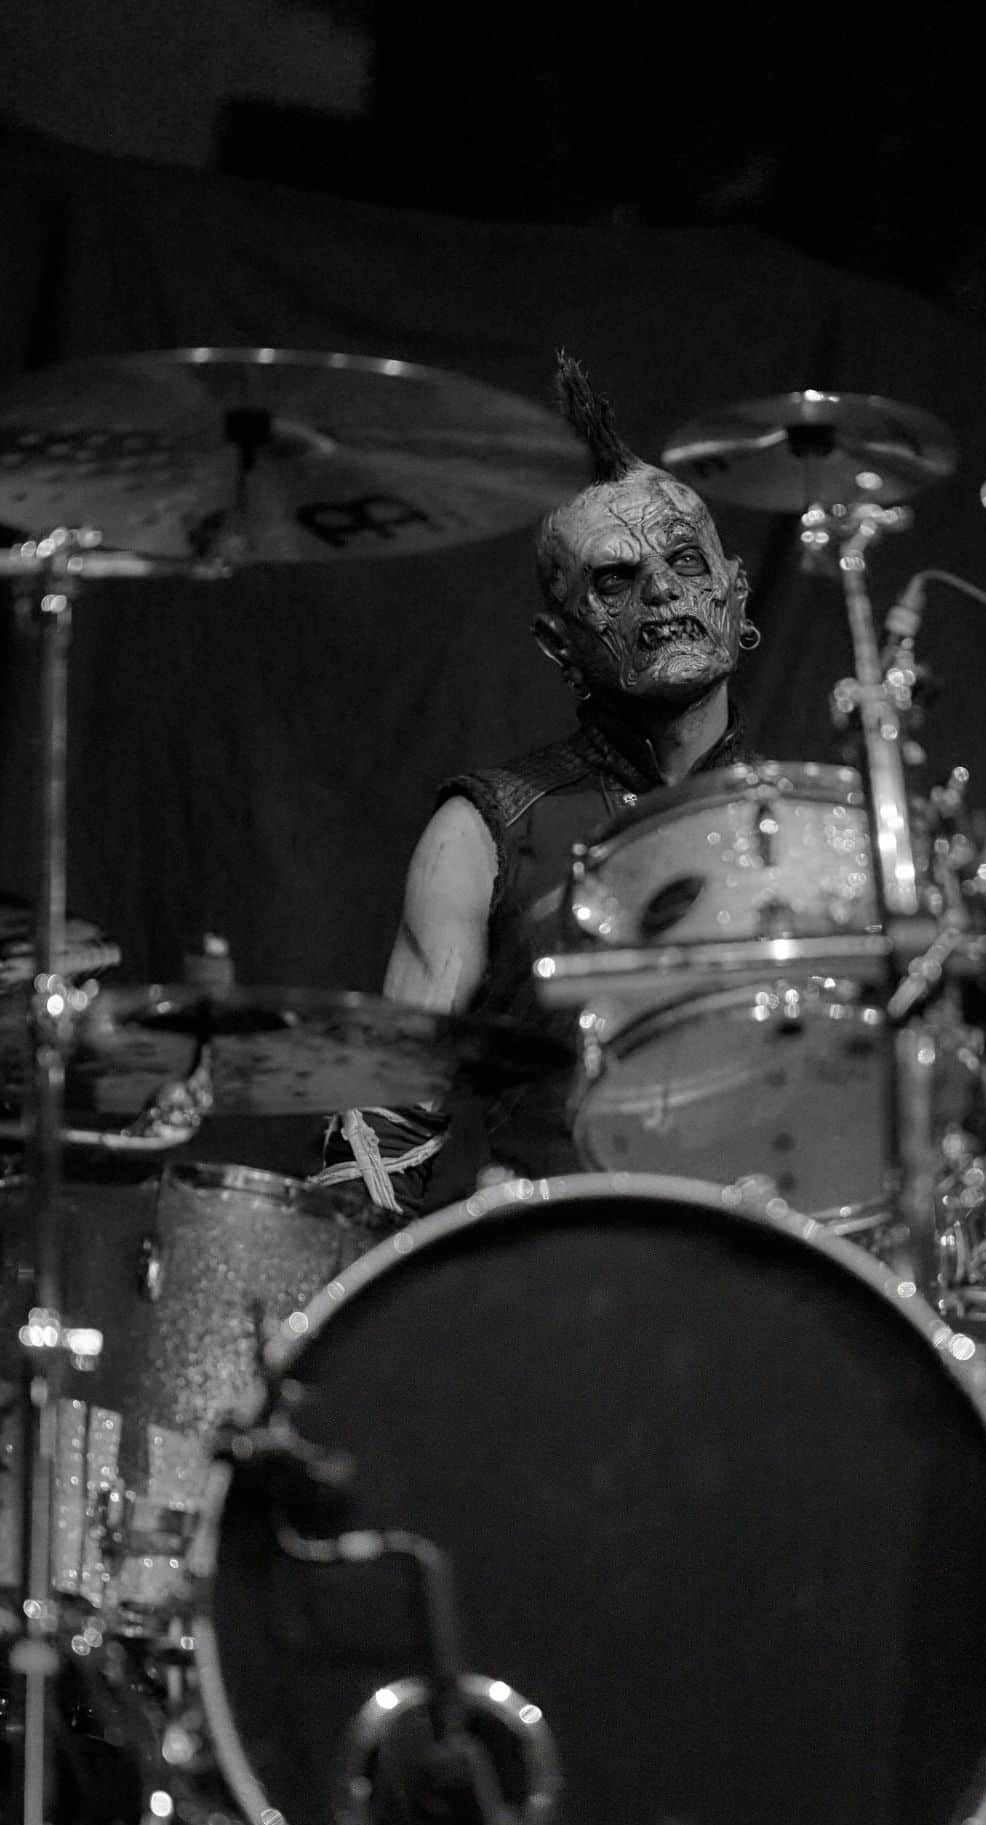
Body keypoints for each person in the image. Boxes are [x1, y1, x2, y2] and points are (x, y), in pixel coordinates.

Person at [318, 354, 760, 1212]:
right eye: (614, 580)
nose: (661, 592)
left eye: (684, 561)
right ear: (558, 643)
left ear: (734, 596)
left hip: (784, 1267)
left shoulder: (826, 835)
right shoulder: (481, 831)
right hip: (562, 1273)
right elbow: (382, 1127)